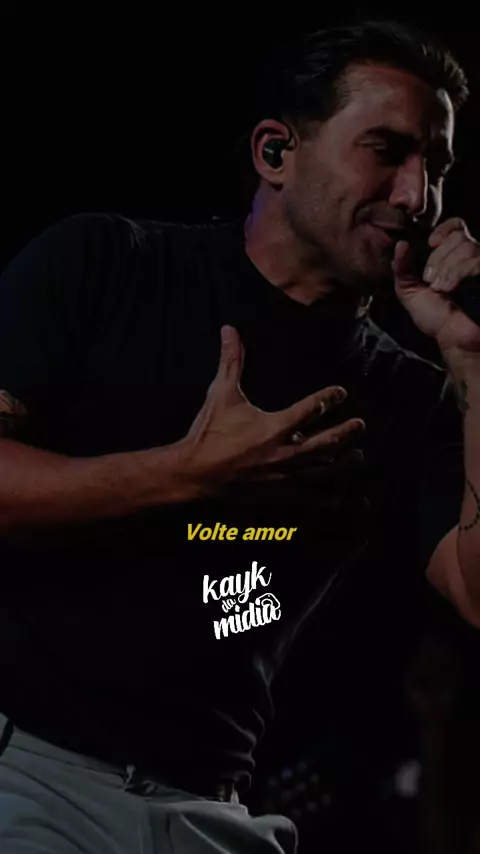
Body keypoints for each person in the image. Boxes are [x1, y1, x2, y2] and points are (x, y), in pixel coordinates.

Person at [0, 17, 479, 854]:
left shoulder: (411, 396)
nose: (417, 197)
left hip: (214, 810)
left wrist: (473, 362)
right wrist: (186, 474)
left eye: (435, 169)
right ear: (275, 152)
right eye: (387, 151)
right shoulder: (108, 266)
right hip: (30, 775)